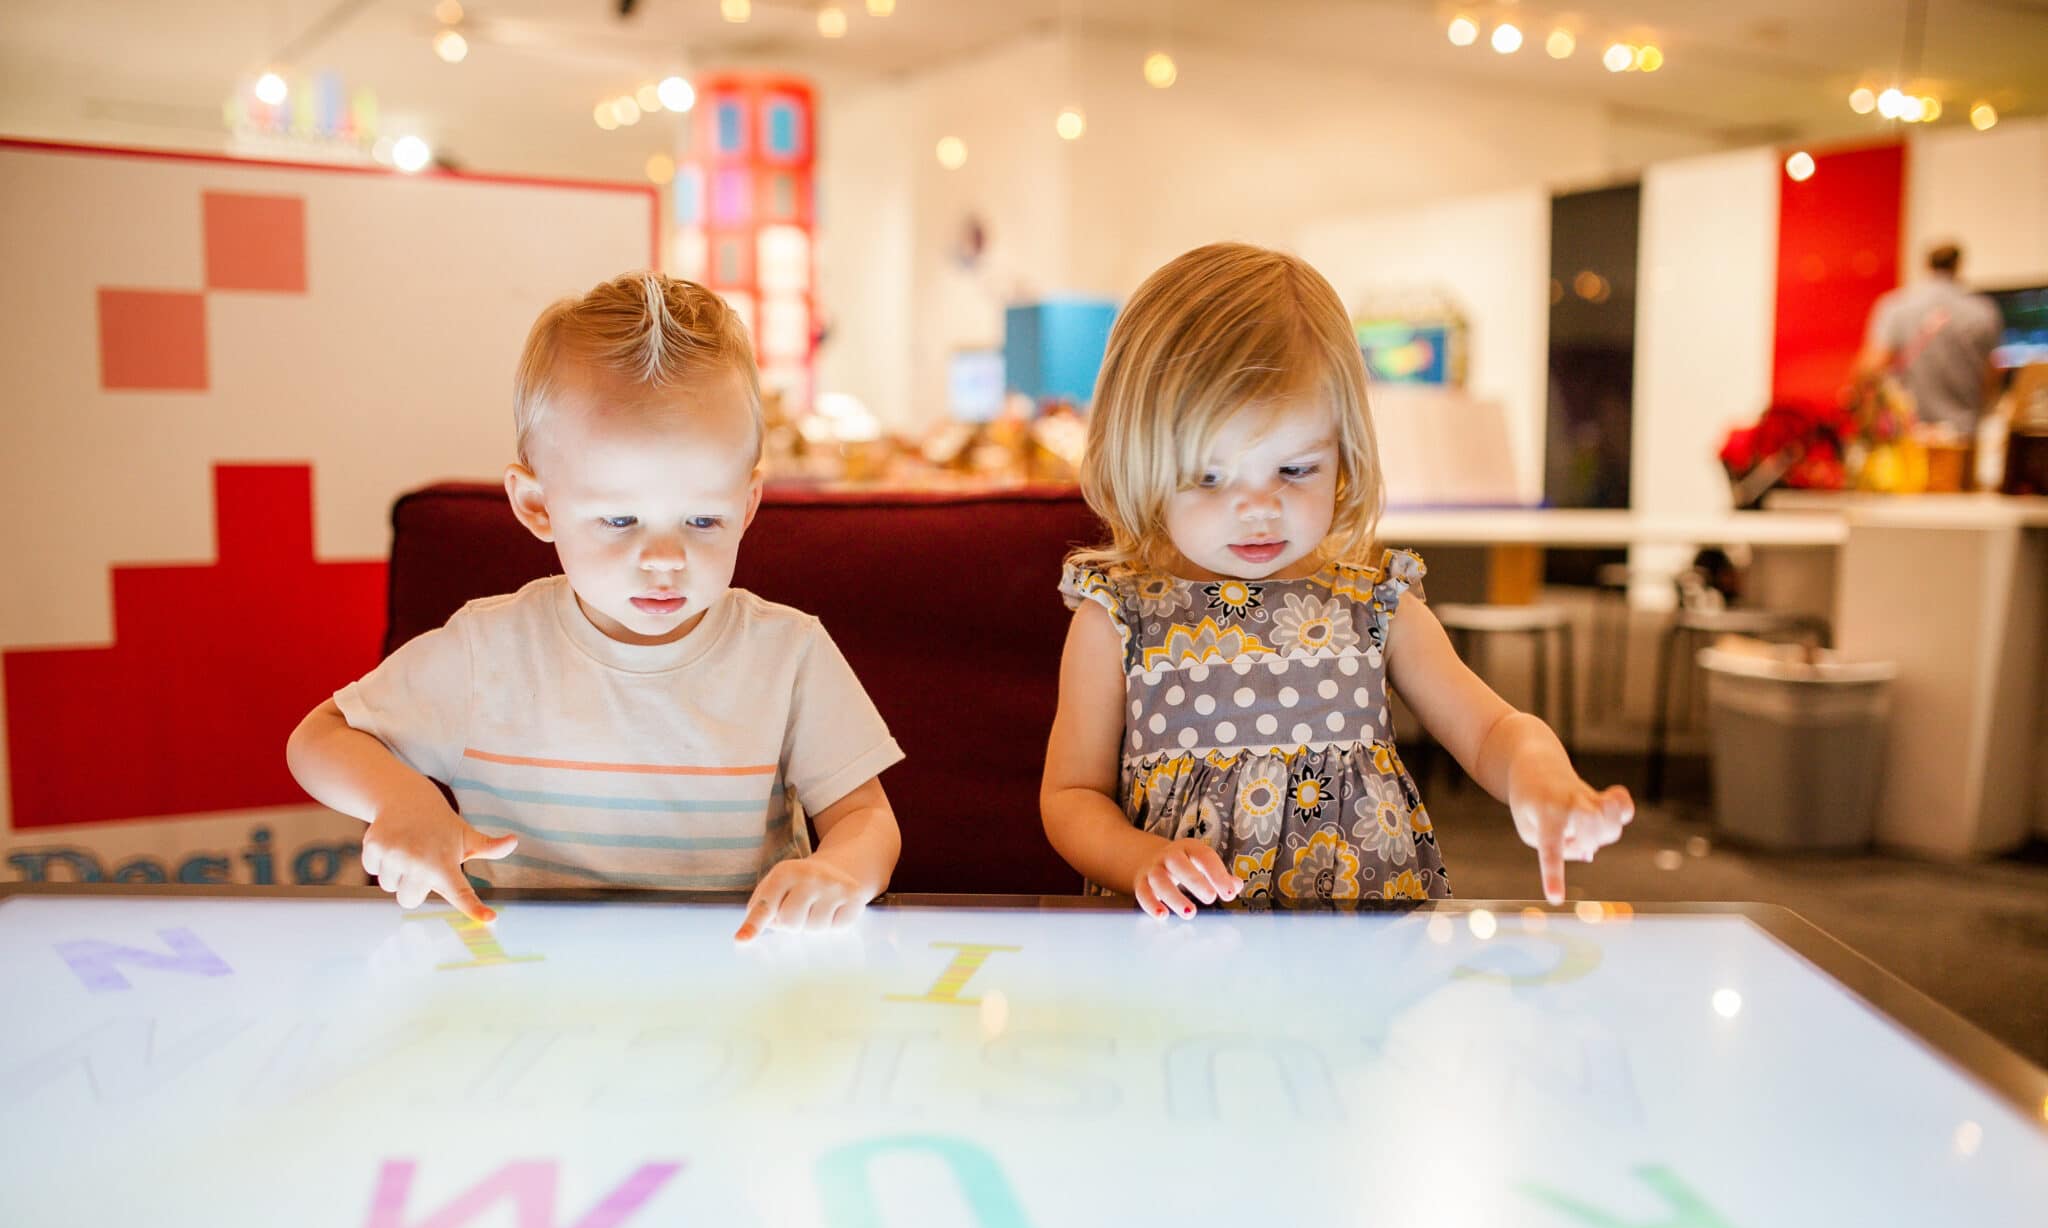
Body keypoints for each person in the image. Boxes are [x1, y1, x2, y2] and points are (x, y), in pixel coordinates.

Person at [286, 271, 903, 941]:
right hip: (528, 991)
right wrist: (401, 798)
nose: (665, 559)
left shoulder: (789, 654)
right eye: (618, 521)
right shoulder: (487, 651)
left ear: (748, 503)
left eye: (702, 521)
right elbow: (318, 739)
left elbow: (866, 818)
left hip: (733, 990)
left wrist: (843, 872)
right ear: (536, 505)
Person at [1040, 243, 1631, 917]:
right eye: (1210, 476)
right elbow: (1071, 797)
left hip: (1362, 959)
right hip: (1183, 957)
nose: (1261, 508)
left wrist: (1540, 779)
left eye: (1296, 470)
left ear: (1343, 453)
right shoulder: (1116, 621)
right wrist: (1138, 857)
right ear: (1140, 461)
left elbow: (1492, 730)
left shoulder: (1375, 605)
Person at [1860, 242, 2003, 437]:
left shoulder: (1896, 307)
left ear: (1926, 266)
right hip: (1963, 435)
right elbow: (1992, 376)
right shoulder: (1984, 311)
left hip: (1910, 435)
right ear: (1958, 266)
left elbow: (1872, 367)